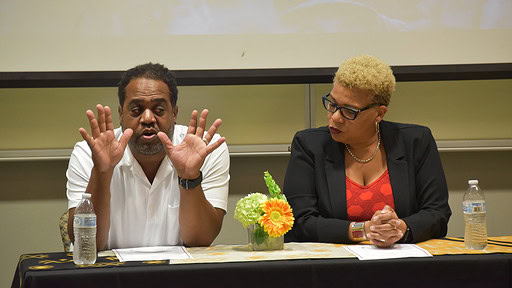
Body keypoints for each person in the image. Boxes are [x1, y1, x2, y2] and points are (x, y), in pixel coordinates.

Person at [283, 55, 451, 247]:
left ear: (379, 114)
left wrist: (400, 229)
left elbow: (437, 213)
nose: (335, 117)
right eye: (332, 104)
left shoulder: (416, 141)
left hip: (402, 263)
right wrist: (364, 230)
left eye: (349, 111)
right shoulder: (309, 145)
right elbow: (301, 221)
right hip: (333, 267)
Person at [66, 63, 230, 250]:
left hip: (178, 275)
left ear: (174, 113)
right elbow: (85, 244)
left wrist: (189, 177)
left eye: (159, 110)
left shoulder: (204, 149)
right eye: (136, 110)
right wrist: (102, 172)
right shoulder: (89, 153)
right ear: (121, 114)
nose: (147, 118)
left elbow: (201, 240)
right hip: (111, 276)